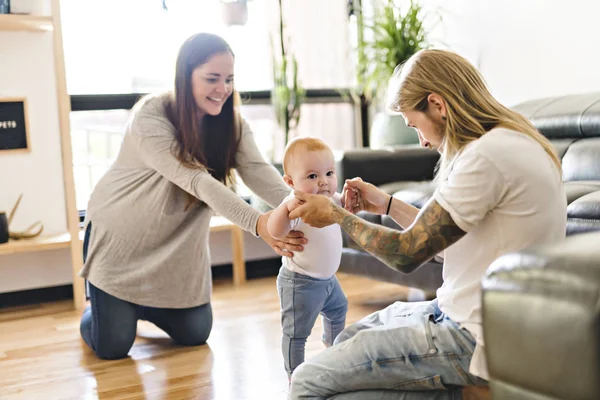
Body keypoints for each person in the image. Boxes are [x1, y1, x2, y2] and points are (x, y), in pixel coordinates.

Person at [288, 49, 567, 399]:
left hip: (474, 335)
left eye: (414, 125)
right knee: (347, 341)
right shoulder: (506, 140)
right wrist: (385, 204)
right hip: (469, 316)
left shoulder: (486, 157)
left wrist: (336, 215)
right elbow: (442, 242)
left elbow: (408, 254)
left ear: (437, 104)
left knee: (306, 380)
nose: (421, 141)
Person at [78, 32, 306, 360]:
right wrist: (260, 224)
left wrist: (301, 204)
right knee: (112, 346)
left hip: (176, 250)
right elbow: (196, 180)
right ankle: (103, 306)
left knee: (195, 334)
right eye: (212, 78)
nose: (223, 89)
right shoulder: (151, 116)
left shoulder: (230, 123)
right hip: (121, 243)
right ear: (184, 78)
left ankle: (138, 306)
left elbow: (256, 170)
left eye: (229, 79)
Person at [267, 137, 348, 380]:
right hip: (300, 283)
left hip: (329, 281)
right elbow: (275, 231)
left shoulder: (333, 200)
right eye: (312, 176)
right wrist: (284, 210)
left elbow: (346, 211)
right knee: (296, 333)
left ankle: (332, 349)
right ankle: (295, 375)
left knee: (339, 309)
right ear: (291, 182)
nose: (323, 181)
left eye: (329, 173)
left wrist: (350, 199)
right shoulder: (296, 205)